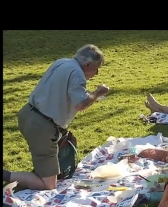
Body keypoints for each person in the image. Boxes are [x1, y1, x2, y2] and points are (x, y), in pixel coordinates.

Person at [3, 44, 109, 190]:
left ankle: (44, 170)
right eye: (96, 68)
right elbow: (80, 105)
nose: (96, 73)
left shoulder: (62, 62)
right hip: (42, 127)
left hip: (28, 114)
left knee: (45, 158)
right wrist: (97, 92)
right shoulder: (77, 73)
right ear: (88, 64)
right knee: (48, 185)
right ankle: (6, 175)